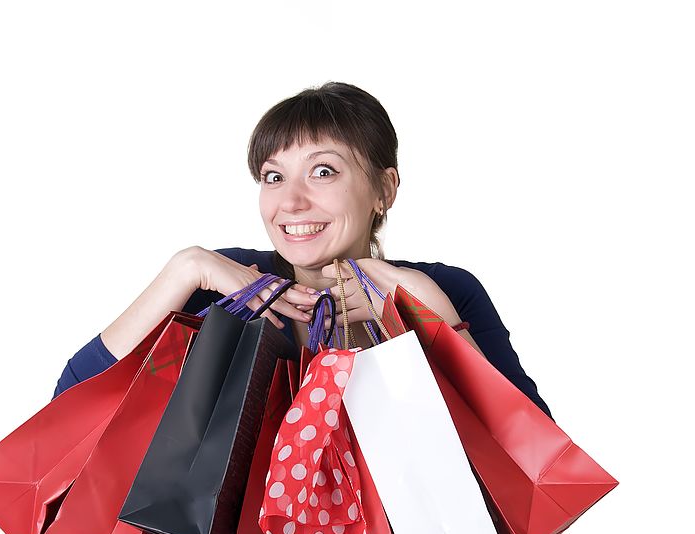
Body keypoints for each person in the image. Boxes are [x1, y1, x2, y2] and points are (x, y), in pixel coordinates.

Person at [53, 81, 551, 421]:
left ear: (385, 189)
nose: (290, 202)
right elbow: (72, 408)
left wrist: (427, 311)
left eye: (323, 171)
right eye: (274, 177)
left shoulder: (447, 290)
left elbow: (532, 473)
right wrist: (187, 268)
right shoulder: (224, 290)